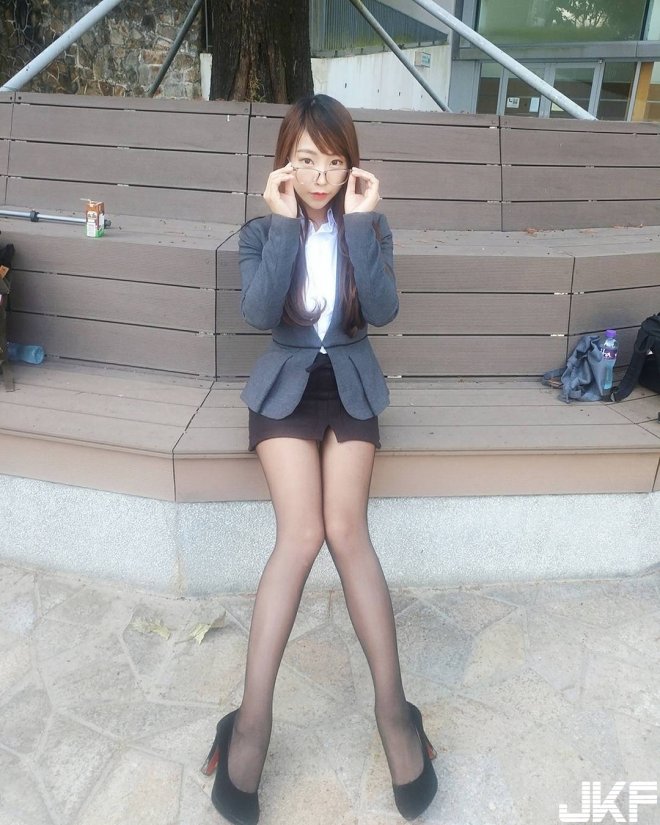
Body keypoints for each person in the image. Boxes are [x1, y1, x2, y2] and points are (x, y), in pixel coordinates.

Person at [201, 94, 438, 824]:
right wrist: (281, 221)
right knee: (301, 535)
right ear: (285, 161)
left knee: (347, 531)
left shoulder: (369, 224)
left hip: (353, 384)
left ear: (350, 167)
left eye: (334, 162)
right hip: (286, 388)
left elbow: (385, 310)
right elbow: (258, 312)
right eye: (305, 160)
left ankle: (395, 721)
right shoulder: (258, 231)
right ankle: (250, 731)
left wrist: (362, 221)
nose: (319, 176)